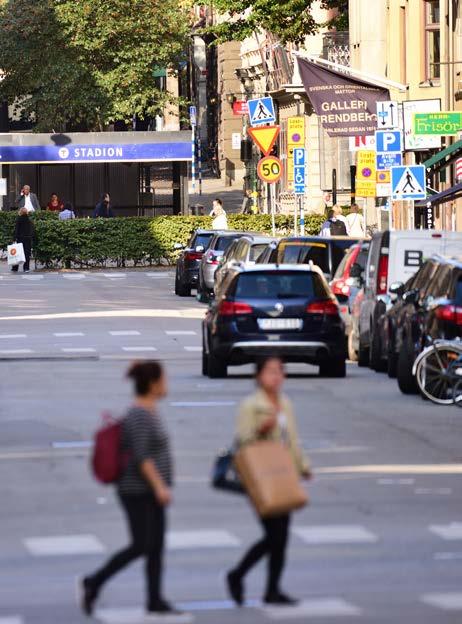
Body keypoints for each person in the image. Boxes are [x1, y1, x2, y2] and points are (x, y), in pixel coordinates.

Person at [80, 361, 181, 617]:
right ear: (153, 384)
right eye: (164, 379)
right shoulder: (138, 414)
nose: (166, 384)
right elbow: (141, 457)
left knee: (155, 547)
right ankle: (94, 582)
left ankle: (155, 600)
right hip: (136, 490)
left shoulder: (150, 410)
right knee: (141, 545)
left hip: (150, 490)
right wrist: (160, 487)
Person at [226, 356, 310, 607]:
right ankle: (237, 575)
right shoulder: (251, 406)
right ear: (258, 376)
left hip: (284, 475)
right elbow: (242, 441)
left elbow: (292, 441)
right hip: (260, 475)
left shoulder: (285, 403)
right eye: (270, 371)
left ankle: (272, 590)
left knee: (281, 537)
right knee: (274, 536)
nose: (276, 376)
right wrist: (261, 429)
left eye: (279, 371)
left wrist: (302, 467)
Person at [12, 207, 34, 273]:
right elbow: (32, 230)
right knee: (27, 254)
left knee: (17, 253)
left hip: (20, 238)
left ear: (20, 212)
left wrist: (14, 238)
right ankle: (26, 268)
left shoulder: (19, 219)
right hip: (28, 239)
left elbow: (16, 230)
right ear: (26, 212)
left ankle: (15, 268)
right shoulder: (29, 220)